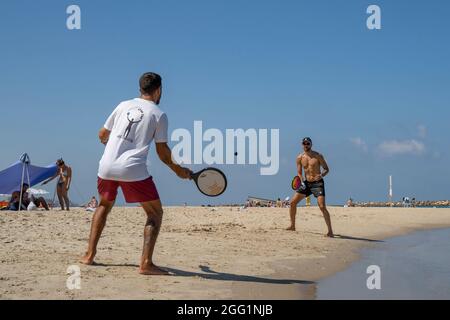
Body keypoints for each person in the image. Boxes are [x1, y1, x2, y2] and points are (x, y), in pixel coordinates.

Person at [79, 72, 192, 275]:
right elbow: (163, 152)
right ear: (159, 90)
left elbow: (102, 134)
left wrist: (115, 144)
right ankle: (146, 263)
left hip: (106, 166)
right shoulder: (159, 114)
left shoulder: (123, 105)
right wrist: (179, 170)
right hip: (132, 169)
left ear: (140, 89)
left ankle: (89, 255)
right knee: (155, 213)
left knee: (104, 205)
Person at [287, 137, 334, 237]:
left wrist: (321, 175)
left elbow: (326, 169)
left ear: (311, 144)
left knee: (322, 206)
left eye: (308, 143)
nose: (306, 145)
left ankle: (330, 231)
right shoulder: (299, 157)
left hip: (317, 183)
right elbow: (299, 172)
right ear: (302, 145)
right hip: (306, 184)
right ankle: (292, 226)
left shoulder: (318, 156)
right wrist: (301, 180)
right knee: (292, 203)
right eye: (304, 143)